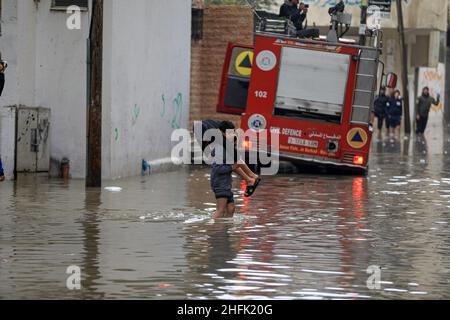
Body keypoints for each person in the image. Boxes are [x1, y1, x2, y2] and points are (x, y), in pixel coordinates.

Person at [210, 122, 261, 219]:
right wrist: (232, 167)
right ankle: (212, 228)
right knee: (220, 210)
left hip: (226, 183)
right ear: (223, 133)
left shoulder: (224, 147)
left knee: (231, 209)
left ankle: (225, 228)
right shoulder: (221, 148)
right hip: (220, 183)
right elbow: (217, 169)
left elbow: (234, 163)